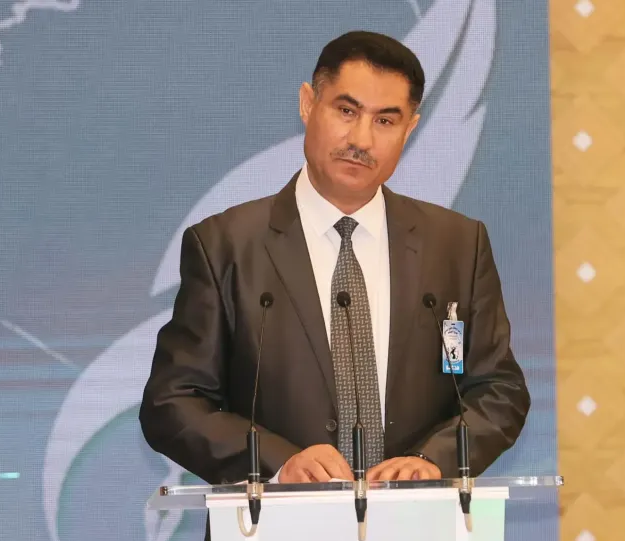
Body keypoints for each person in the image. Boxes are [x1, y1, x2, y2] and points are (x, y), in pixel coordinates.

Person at [139, 30, 530, 489]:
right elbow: (173, 402)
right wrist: (279, 463)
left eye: (385, 121)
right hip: (274, 520)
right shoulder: (225, 245)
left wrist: (433, 460)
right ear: (308, 104)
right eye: (346, 111)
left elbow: (499, 391)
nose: (361, 139)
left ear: (410, 129)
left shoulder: (457, 245)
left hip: (417, 518)